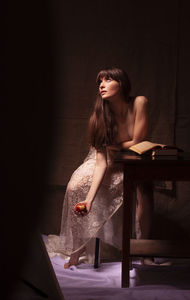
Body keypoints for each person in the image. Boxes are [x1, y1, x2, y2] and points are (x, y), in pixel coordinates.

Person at [45, 67, 154, 267]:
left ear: (121, 84)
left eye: (107, 80)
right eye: (99, 82)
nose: (102, 85)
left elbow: (139, 141)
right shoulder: (99, 115)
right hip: (105, 161)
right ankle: (77, 250)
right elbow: (101, 162)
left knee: (144, 188)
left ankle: (145, 254)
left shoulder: (139, 102)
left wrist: (110, 145)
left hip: (134, 159)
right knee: (74, 186)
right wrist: (89, 200)